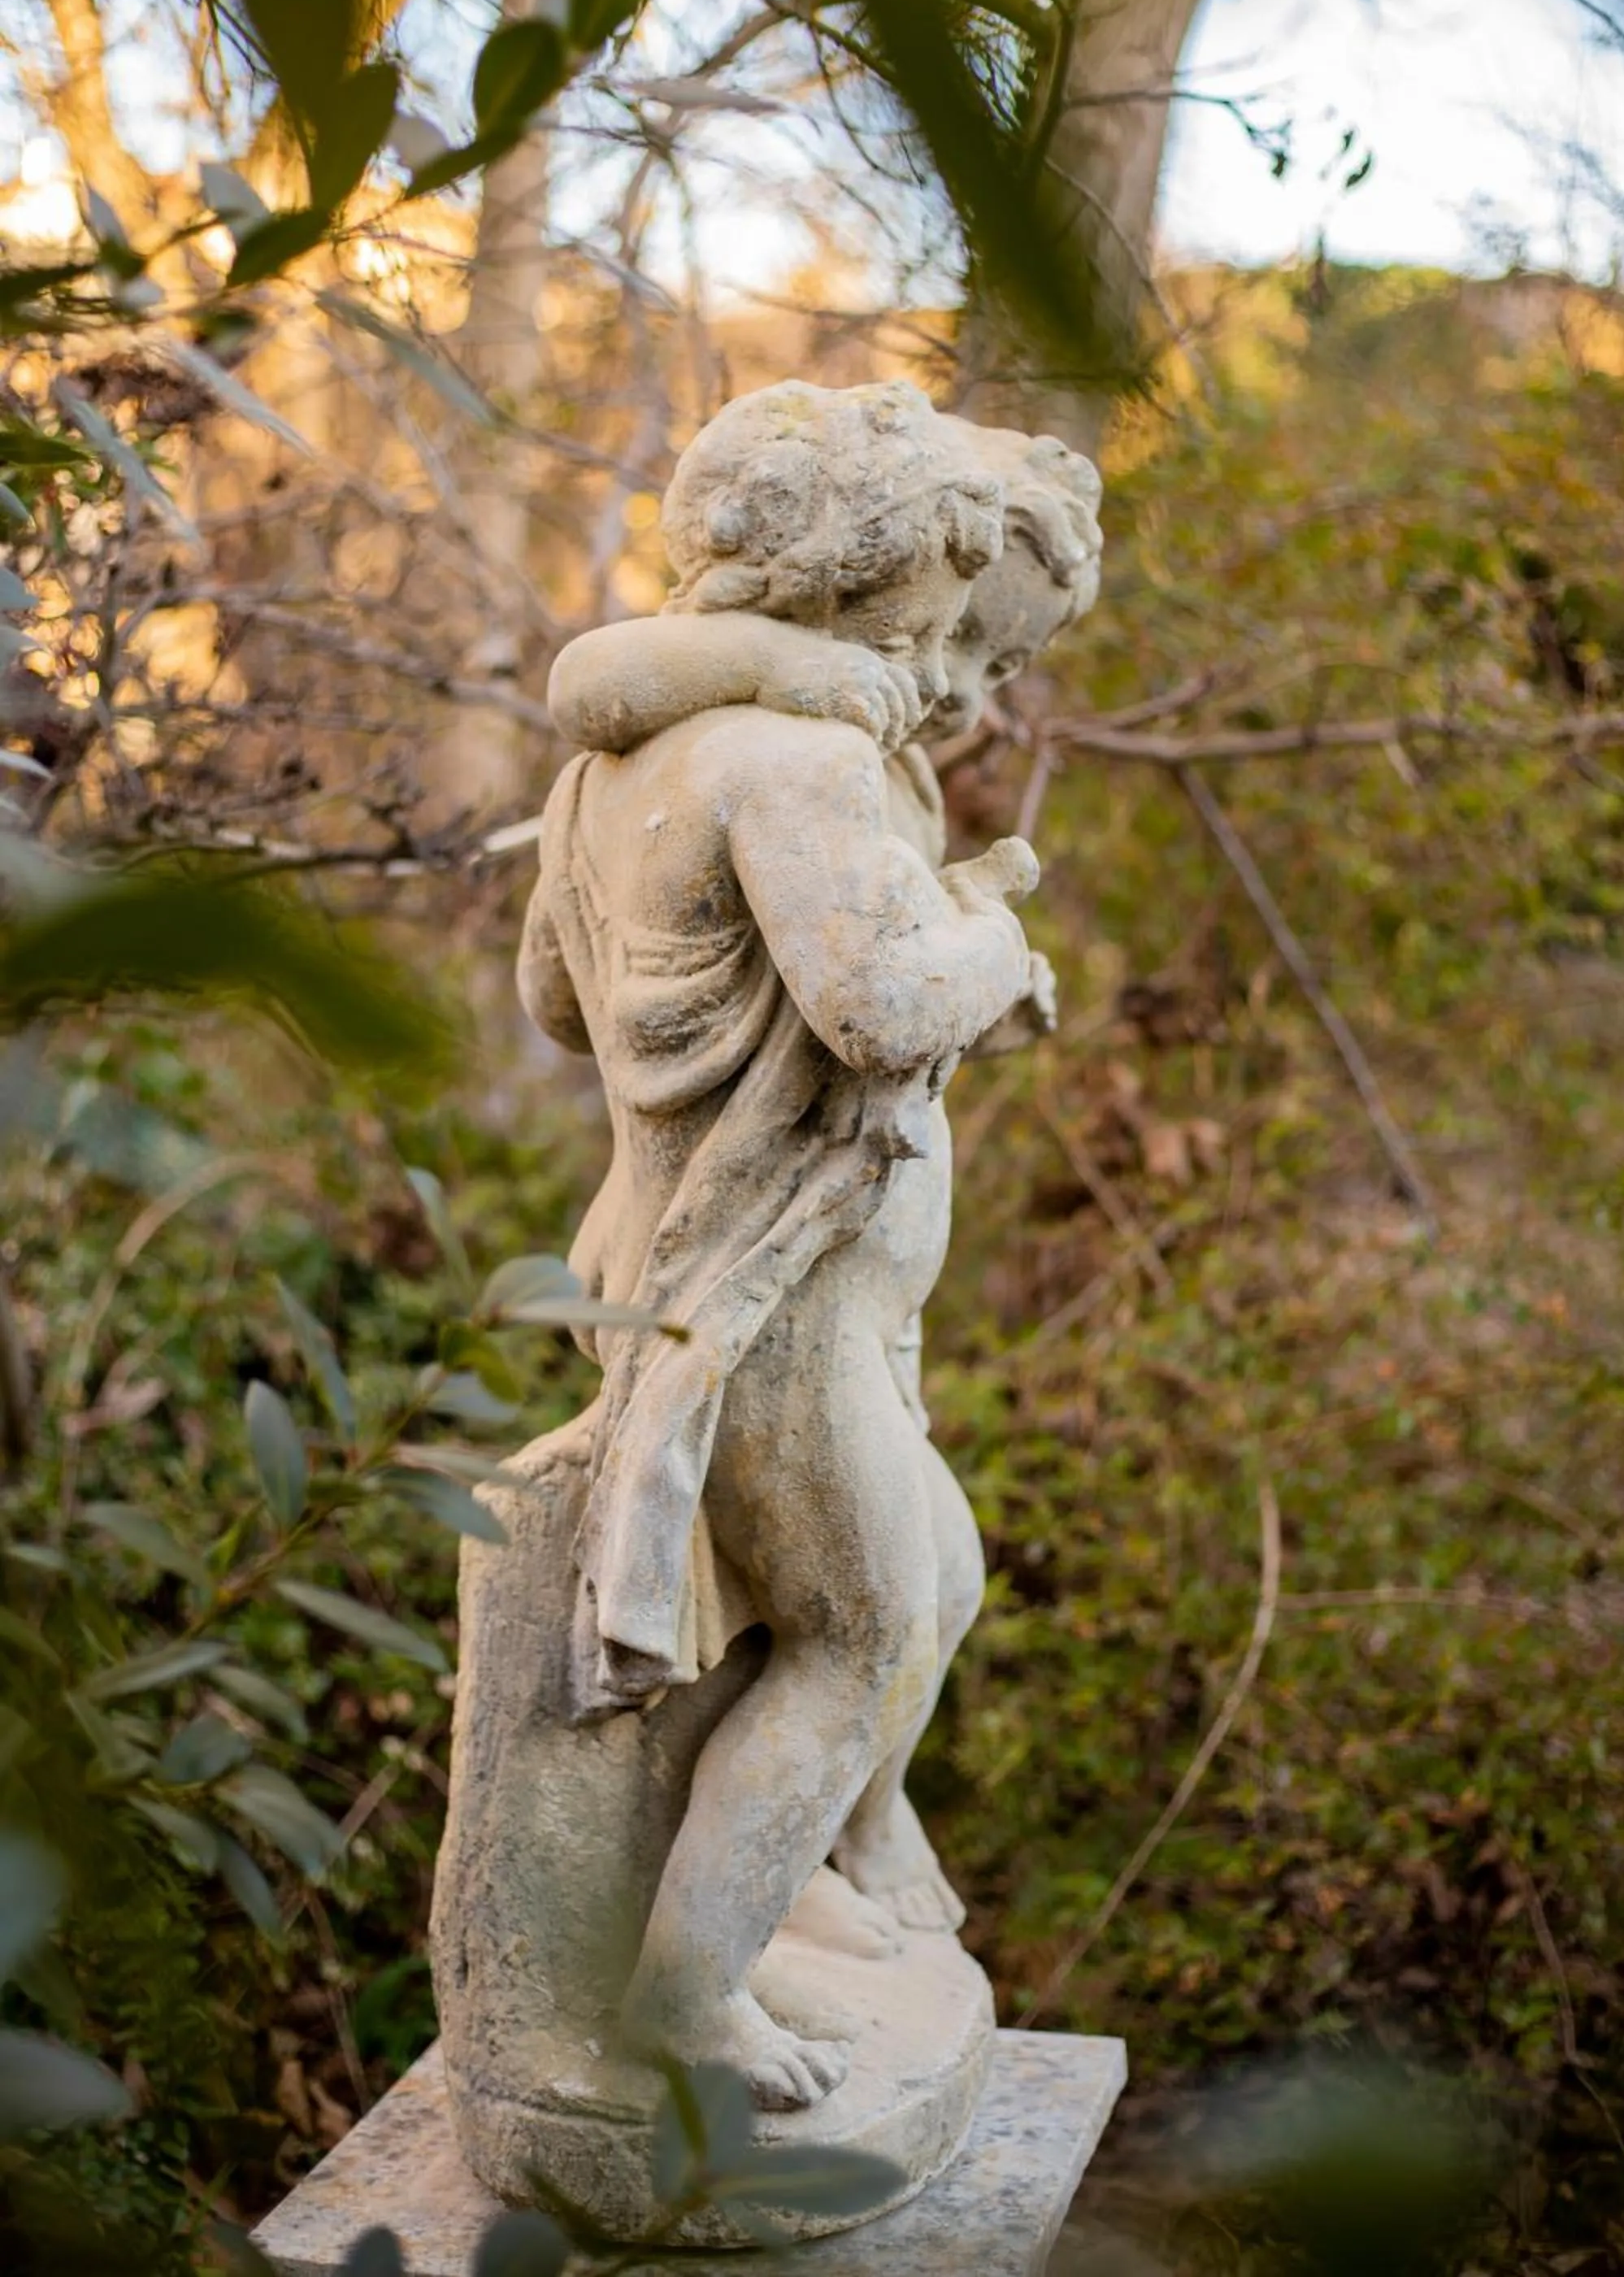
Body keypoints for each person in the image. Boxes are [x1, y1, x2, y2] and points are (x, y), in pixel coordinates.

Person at [517, 380, 1065, 2112]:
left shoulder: (607, 776)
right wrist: (988, 938)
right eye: (935, 612)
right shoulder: (805, 760)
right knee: (855, 1636)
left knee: (935, 1579)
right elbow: (883, 1003)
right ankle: (683, 2001)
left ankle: (802, 1869)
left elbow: (549, 997)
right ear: (870, 586)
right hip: (768, 1283)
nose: (946, 657)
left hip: (686, 1258)